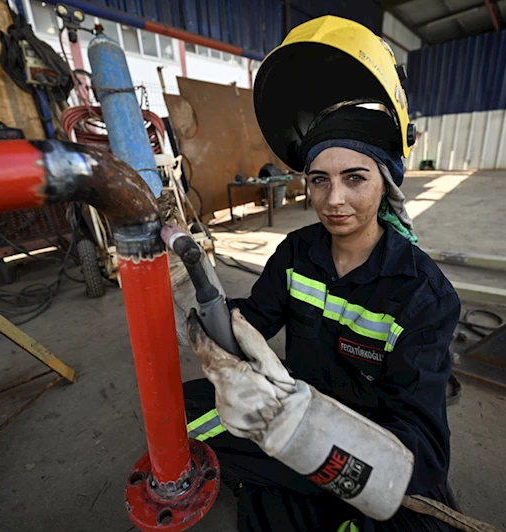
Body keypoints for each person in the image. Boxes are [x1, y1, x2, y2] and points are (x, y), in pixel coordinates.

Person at [184, 16, 460, 532]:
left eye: (355, 178)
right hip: (293, 399)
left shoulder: (424, 295)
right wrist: (216, 329)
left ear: (386, 182)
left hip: (365, 439)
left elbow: (422, 452)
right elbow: (257, 319)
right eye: (319, 180)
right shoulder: (296, 253)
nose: (334, 200)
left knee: (411, 502)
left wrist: (304, 427)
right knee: (183, 413)